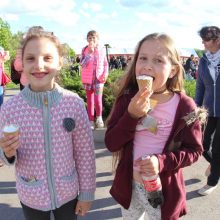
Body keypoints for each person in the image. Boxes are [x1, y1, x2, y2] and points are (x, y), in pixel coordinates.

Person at [105, 33, 206, 220]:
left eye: (158, 60)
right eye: (142, 58)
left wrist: (160, 162)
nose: (148, 65)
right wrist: (131, 115)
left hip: (163, 188)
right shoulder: (128, 98)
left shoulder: (184, 106)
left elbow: (194, 151)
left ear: (173, 71)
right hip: (130, 186)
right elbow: (111, 143)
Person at [0, 27, 96, 220]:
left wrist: (86, 193)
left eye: (47, 58)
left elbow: (85, 153)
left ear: (60, 62)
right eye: (30, 58)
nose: (38, 65)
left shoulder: (73, 103)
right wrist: (7, 153)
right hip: (30, 193)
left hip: (68, 192)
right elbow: (4, 153)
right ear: (21, 65)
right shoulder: (10, 109)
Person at [195, 26, 220, 196]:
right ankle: (216, 166)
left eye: (206, 39)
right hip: (209, 110)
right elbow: (200, 85)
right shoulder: (204, 60)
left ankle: (212, 181)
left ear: (217, 40)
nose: (202, 42)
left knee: (218, 148)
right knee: (202, 145)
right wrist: (196, 107)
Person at [80, 30, 109, 129]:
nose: (91, 40)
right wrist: (89, 54)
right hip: (87, 80)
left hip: (98, 80)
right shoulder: (84, 50)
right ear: (87, 39)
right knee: (90, 101)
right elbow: (82, 64)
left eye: (93, 38)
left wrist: (105, 74)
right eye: (89, 38)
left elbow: (105, 64)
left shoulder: (101, 50)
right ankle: (91, 120)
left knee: (98, 100)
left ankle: (99, 118)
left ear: (97, 39)